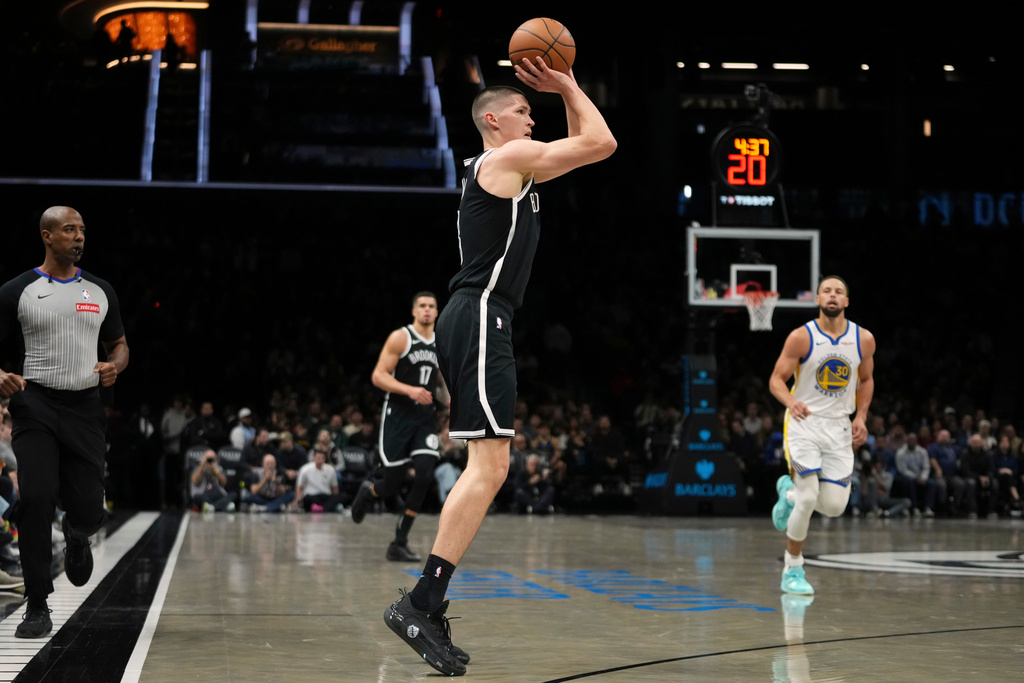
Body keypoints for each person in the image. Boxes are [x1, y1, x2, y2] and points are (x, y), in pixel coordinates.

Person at [382, 56, 616, 677]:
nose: (532, 119)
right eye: (522, 110)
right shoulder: (505, 160)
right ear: (492, 120)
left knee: (490, 465)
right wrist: (568, 81)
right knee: (489, 467)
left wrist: (562, 93)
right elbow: (601, 143)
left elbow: (580, 145)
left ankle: (427, 599)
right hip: (483, 313)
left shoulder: (508, 169)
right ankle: (421, 600)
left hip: (481, 315)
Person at [0, 206, 129, 638]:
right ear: (47, 236)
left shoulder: (100, 290)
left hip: (85, 407)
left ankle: (77, 533)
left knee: (91, 508)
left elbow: (120, 344)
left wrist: (115, 365)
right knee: (35, 498)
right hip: (33, 404)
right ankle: (37, 603)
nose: (79, 237)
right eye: (70, 230)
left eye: (83, 231)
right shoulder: (16, 290)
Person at [769, 275, 876, 595]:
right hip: (805, 423)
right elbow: (776, 380)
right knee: (808, 499)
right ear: (817, 299)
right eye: (826, 291)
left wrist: (861, 416)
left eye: (839, 291)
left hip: (839, 427)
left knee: (833, 507)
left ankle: (786, 492)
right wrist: (791, 401)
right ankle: (793, 569)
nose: (832, 295)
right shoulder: (801, 337)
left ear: (846, 302)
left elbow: (867, 380)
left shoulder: (863, 339)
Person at [351, 292, 445, 563]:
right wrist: (411, 390)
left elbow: (439, 381)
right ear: (414, 311)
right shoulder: (401, 337)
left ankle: (399, 542)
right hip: (398, 417)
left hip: (425, 419)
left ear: (437, 312)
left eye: (431, 306)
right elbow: (378, 375)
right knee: (392, 484)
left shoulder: (440, 342)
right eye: (422, 306)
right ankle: (368, 491)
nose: (427, 310)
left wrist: (452, 401)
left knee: (425, 474)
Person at [295, 448, 343, 512]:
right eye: (318, 458)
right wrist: (299, 499)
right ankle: (324, 508)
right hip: (311, 496)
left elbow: (334, 487)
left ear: (325, 459)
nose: (320, 460)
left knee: (342, 496)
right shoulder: (305, 469)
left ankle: (321, 508)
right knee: (307, 499)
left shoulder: (330, 470)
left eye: (322, 458)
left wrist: (335, 498)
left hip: (325, 495)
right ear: (314, 459)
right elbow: (299, 486)